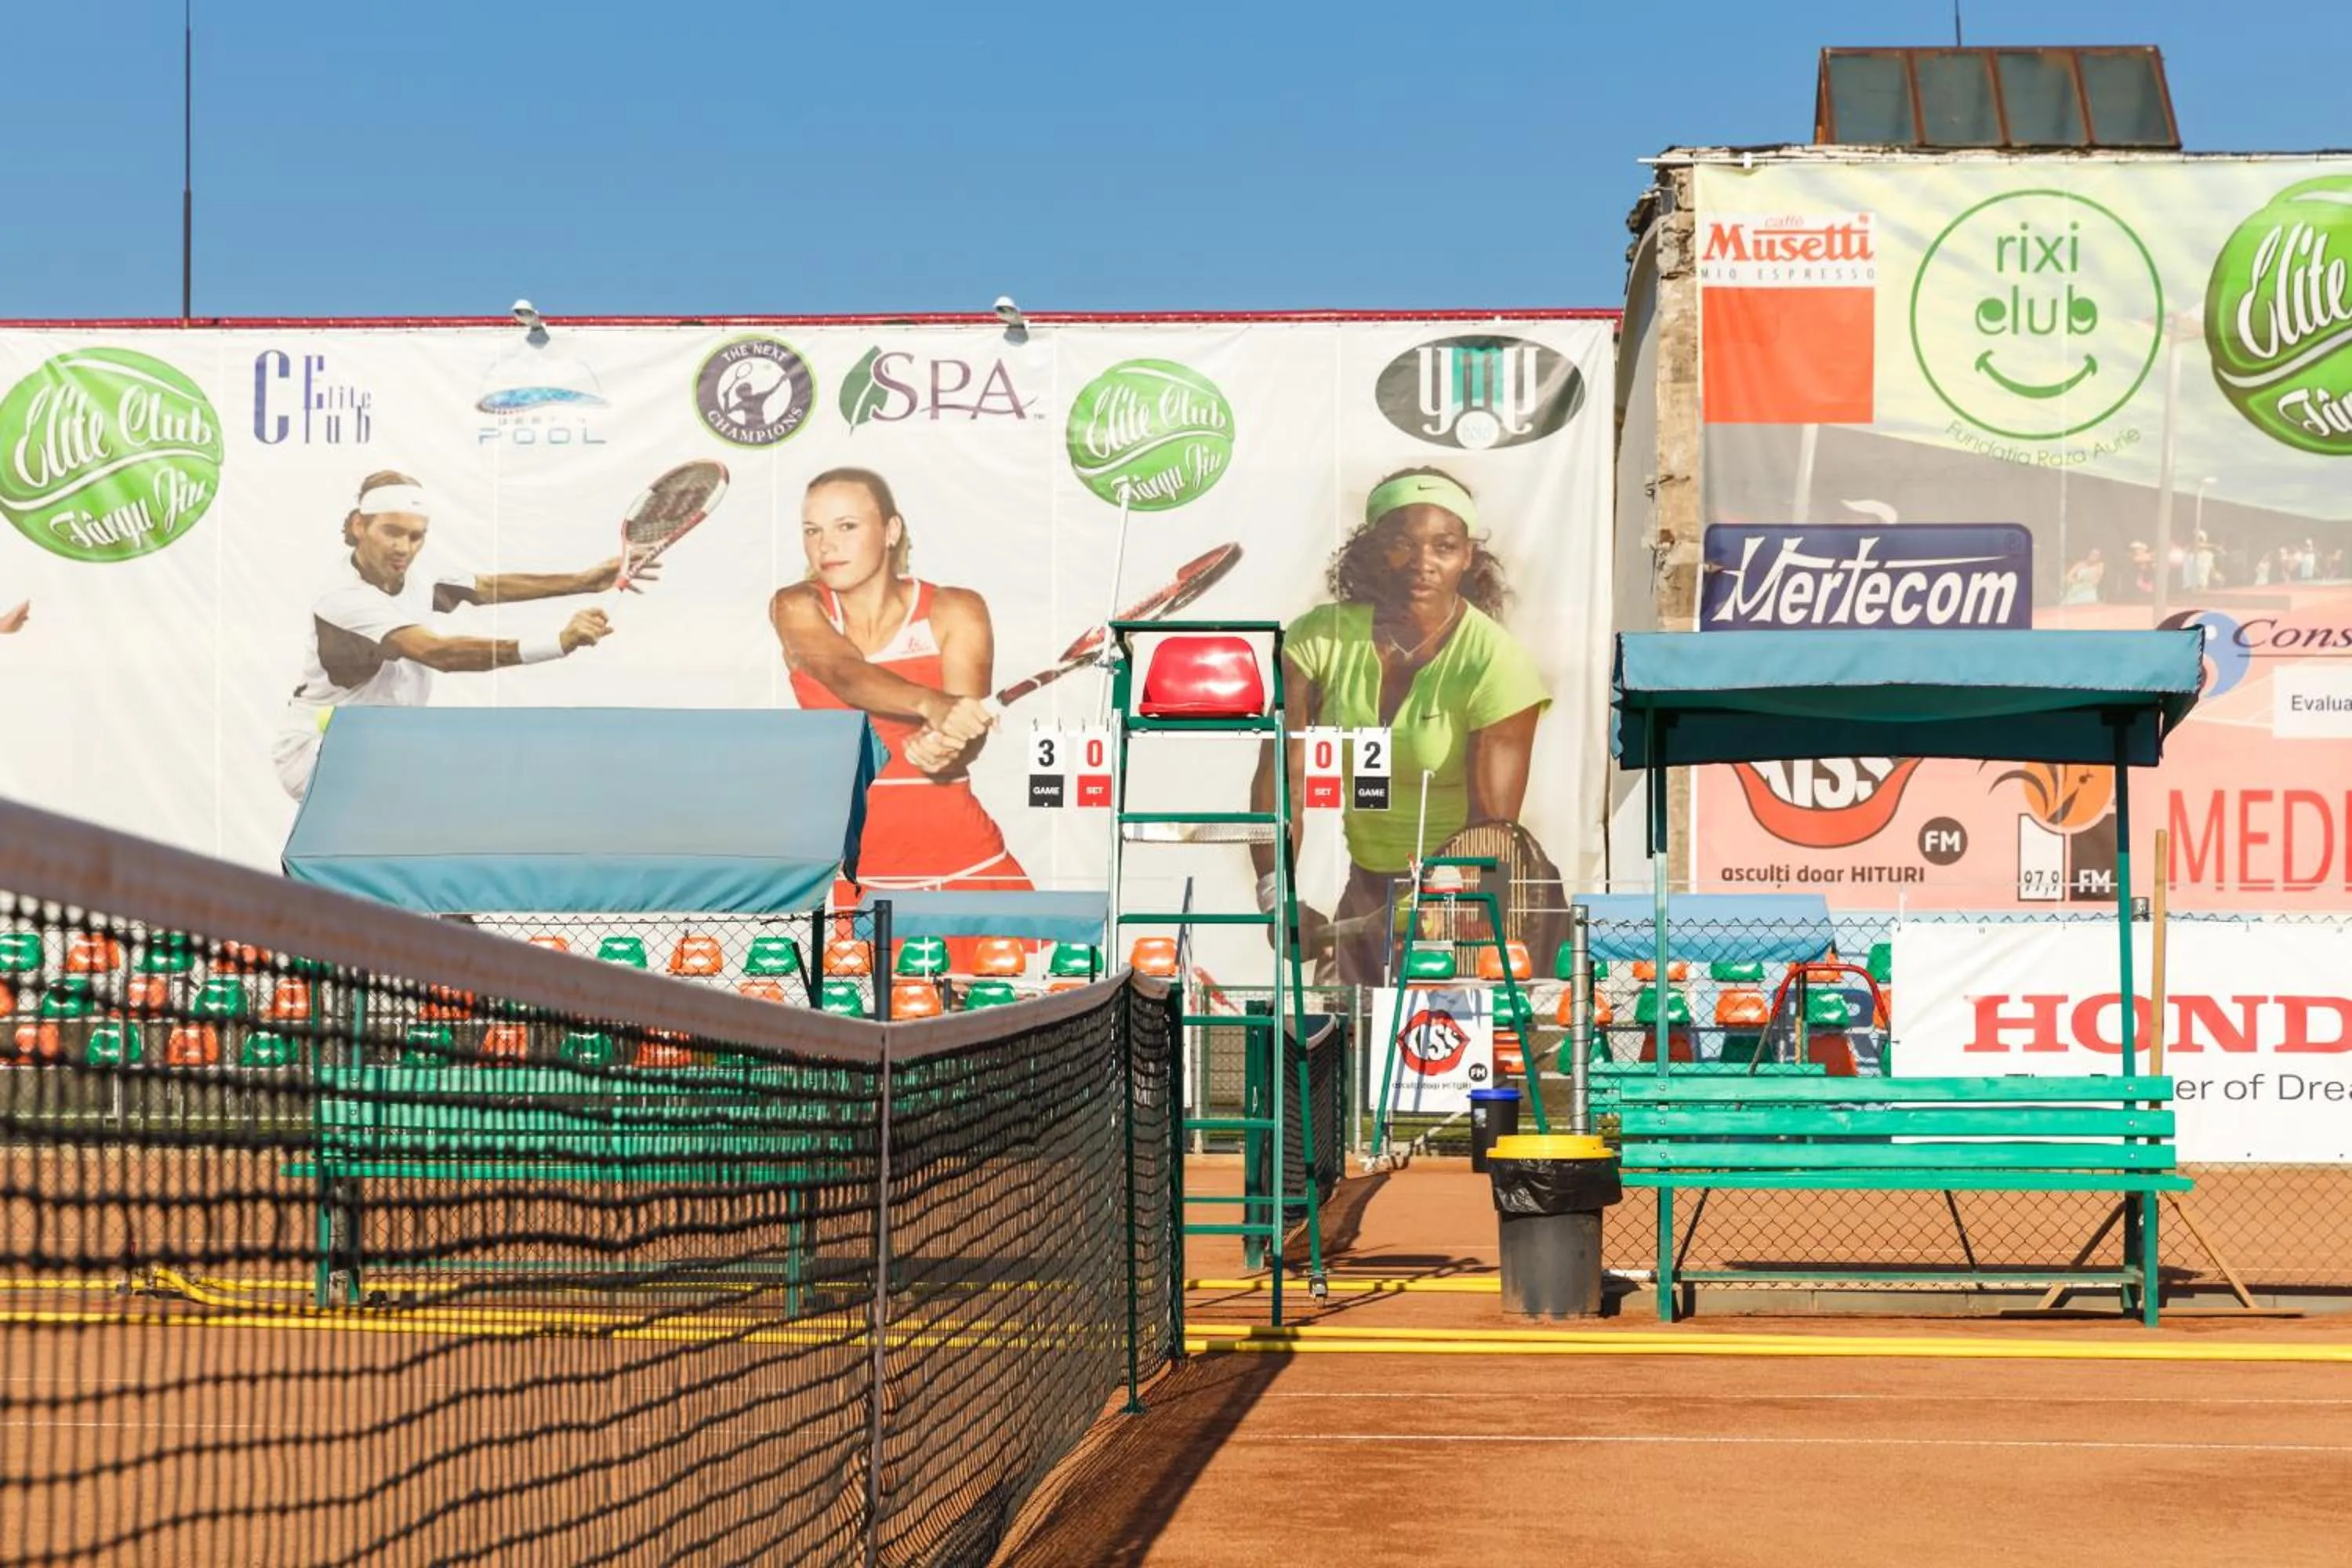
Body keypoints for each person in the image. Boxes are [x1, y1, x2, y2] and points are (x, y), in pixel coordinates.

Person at [1250, 466, 1550, 985]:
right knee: (1344, 1052)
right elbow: (1286, 778)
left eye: (1444, 547)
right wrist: (1278, 896)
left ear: (1468, 558)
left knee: (1444, 1057)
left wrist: (1432, 909)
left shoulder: (1497, 664)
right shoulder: (1316, 640)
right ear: (1371, 551)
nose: (1423, 564)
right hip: (1366, 888)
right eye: (1402, 544)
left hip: (1466, 898)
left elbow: (1491, 832)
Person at [770, 467, 1031, 938]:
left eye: (846, 526)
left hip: (969, 869)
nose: (826, 545)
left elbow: (964, 740)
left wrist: (948, 749)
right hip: (857, 881)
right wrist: (932, 705)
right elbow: (844, 673)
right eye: (813, 530)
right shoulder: (795, 606)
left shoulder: (956, 608)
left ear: (891, 531)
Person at [272, 470, 641, 800]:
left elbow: (485, 587)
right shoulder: (343, 597)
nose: (404, 548)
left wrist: (583, 581)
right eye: (392, 532)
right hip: (319, 748)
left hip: (381, 742)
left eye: (416, 536)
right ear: (359, 526)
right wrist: (556, 643)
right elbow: (440, 654)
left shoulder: (414, 575)